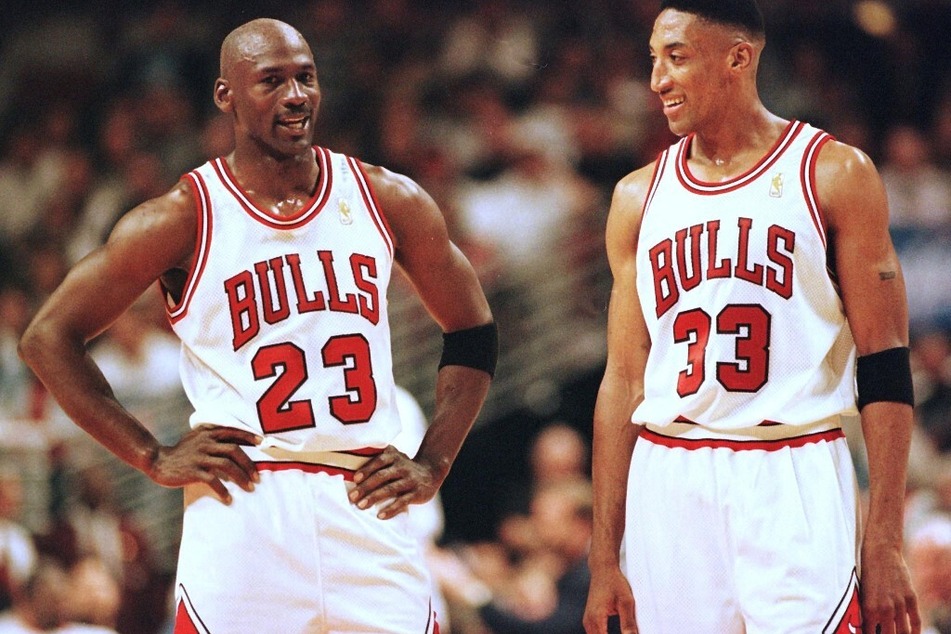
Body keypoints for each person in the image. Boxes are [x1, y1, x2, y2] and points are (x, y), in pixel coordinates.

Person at [18, 17, 496, 634]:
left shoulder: (386, 198)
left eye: (306, 78)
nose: (296, 96)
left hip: (365, 495)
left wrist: (435, 462)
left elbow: (473, 329)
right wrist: (150, 455)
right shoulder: (181, 217)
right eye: (272, 81)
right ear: (227, 96)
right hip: (246, 500)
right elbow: (47, 338)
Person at [582, 1, 920, 633]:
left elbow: (885, 362)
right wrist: (605, 556)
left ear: (738, 57)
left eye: (676, 57)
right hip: (670, 471)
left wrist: (884, 540)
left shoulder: (833, 172)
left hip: (791, 463)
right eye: (654, 59)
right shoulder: (636, 196)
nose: (658, 80)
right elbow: (622, 383)